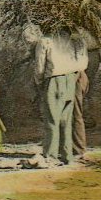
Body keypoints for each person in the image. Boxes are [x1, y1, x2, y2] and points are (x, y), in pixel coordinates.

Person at [33, 27, 87, 167]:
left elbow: (40, 65)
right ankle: (67, 155)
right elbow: (82, 63)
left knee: (52, 120)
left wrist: (39, 82)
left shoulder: (46, 40)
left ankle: (50, 155)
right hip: (71, 79)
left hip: (54, 80)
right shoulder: (75, 40)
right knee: (66, 120)